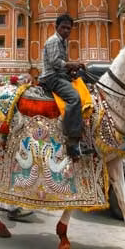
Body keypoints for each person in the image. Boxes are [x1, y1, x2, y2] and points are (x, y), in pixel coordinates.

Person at [39, 13, 85, 159]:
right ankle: (71, 140)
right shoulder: (53, 41)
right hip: (51, 78)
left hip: (59, 75)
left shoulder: (63, 41)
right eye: (63, 28)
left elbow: (62, 65)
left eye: (69, 29)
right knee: (74, 97)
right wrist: (70, 64)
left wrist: (72, 69)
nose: (66, 31)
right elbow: (55, 63)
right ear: (56, 27)